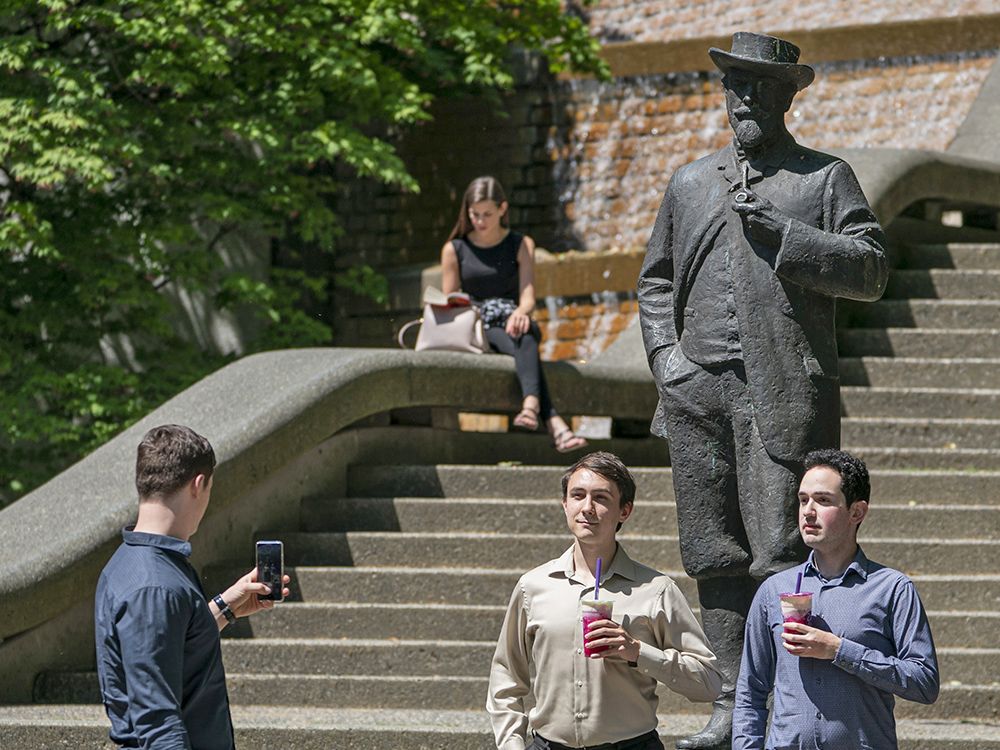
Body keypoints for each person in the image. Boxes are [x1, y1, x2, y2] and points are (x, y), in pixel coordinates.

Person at [637, 32, 889, 749]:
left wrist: (789, 237)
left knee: (781, 550)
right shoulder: (689, 181)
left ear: (784, 97)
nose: (742, 100)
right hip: (697, 394)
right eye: (733, 86)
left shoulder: (823, 178)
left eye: (757, 88)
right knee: (712, 552)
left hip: (782, 393)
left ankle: (785, 704)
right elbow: (655, 281)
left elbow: (870, 269)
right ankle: (727, 707)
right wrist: (667, 360)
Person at [487, 451, 722, 750]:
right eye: (577, 495)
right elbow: (505, 676)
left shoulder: (657, 590)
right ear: (564, 504)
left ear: (625, 511)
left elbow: (710, 683)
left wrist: (637, 651)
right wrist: (511, 744)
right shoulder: (532, 587)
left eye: (601, 498)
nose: (587, 508)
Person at [94, 424, 291, 749]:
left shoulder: (133, 563)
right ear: (199, 484)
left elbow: (171, 645)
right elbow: (158, 723)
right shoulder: (154, 587)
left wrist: (225, 607)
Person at [733, 449, 939, 748]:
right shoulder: (774, 590)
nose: (808, 511)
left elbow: (924, 683)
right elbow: (750, 692)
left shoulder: (892, 589)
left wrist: (839, 651)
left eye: (823, 500)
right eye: (803, 500)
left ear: (857, 512)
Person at [442, 175, 587, 453]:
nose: (480, 221)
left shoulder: (521, 244)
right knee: (527, 337)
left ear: (503, 209)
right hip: (473, 325)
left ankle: (534, 409)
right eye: (474, 214)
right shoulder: (454, 249)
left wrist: (520, 312)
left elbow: (528, 296)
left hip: (510, 322)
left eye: (487, 214)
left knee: (525, 330)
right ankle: (551, 419)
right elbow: (451, 301)